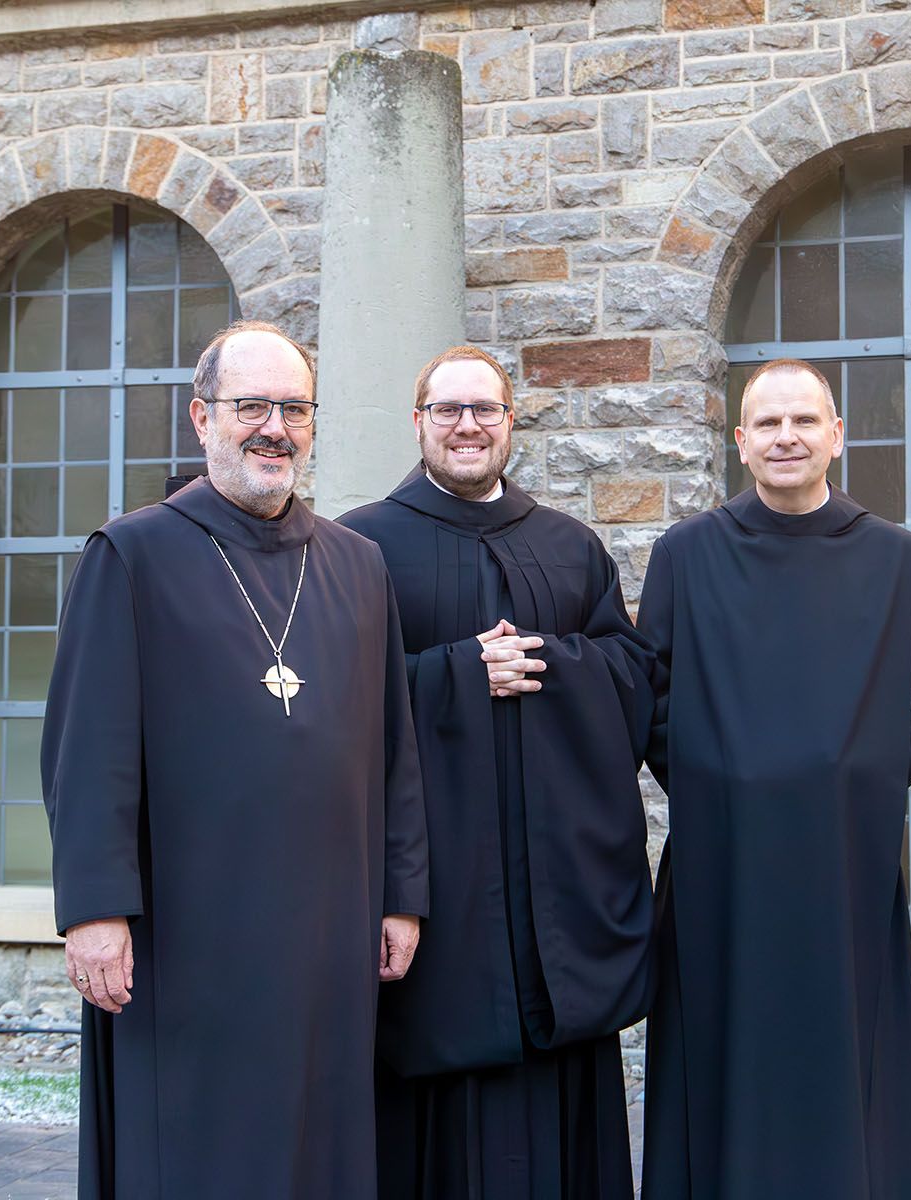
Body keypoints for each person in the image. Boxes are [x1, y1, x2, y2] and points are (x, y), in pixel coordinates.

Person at [41, 319, 430, 1199]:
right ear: (202, 417)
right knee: (196, 1150)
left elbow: (394, 752)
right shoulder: (131, 555)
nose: (274, 428)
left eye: (294, 408)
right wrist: (95, 911)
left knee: (318, 1146)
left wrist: (403, 898)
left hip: (332, 931)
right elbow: (86, 750)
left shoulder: (359, 565)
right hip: (187, 936)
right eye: (251, 405)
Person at [638, 359, 911, 1199]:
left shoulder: (898, 560)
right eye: (769, 425)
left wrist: (854, 776)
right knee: (725, 1049)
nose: (788, 437)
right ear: (741, 442)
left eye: (805, 422)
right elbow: (652, 693)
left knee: (841, 1050)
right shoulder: (686, 554)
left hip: (840, 859)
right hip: (724, 860)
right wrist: (721, 779)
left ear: (837, 437)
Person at [341, 346, 657, 1200]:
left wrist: (552, 662)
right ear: (418, 423)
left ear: (512, 422)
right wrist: (454, 674)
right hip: (439, 876)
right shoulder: (361, 545)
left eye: (486, 409)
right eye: (448, 410)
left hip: (554, 881)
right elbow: (334, 702)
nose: (468, 425)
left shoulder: (570, 545)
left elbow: (633, 678)